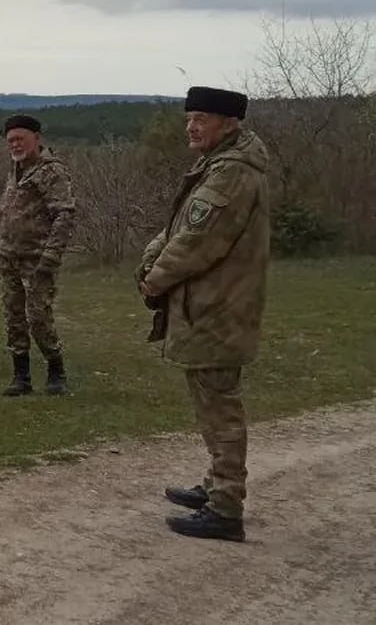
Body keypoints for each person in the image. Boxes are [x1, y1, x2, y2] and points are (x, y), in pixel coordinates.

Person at [136, 86, 270, 543]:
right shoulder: (219, 164)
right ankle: (216, 485)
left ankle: (226, 508)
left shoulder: (232, 173)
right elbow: (179, 226)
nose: (192, 126)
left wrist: (154, 281)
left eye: (202, 119)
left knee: (221, 408)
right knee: (210, 402)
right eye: (190, 117)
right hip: (209, 306)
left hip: (219, 307)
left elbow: (197, 241)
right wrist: (153, 256)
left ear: (228, 124)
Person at [0, 113, 77, 396]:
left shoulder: (50, 171)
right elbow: (7, 209)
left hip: (37, 259)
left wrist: (51, 257)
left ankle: (56, 370)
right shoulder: (14, 170)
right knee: (13, 315)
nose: (15, 145)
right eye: (11, 140)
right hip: (8, 257)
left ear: (36, 139)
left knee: (38, 316)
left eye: (20, 139)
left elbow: (64, 215)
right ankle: (22, 376)